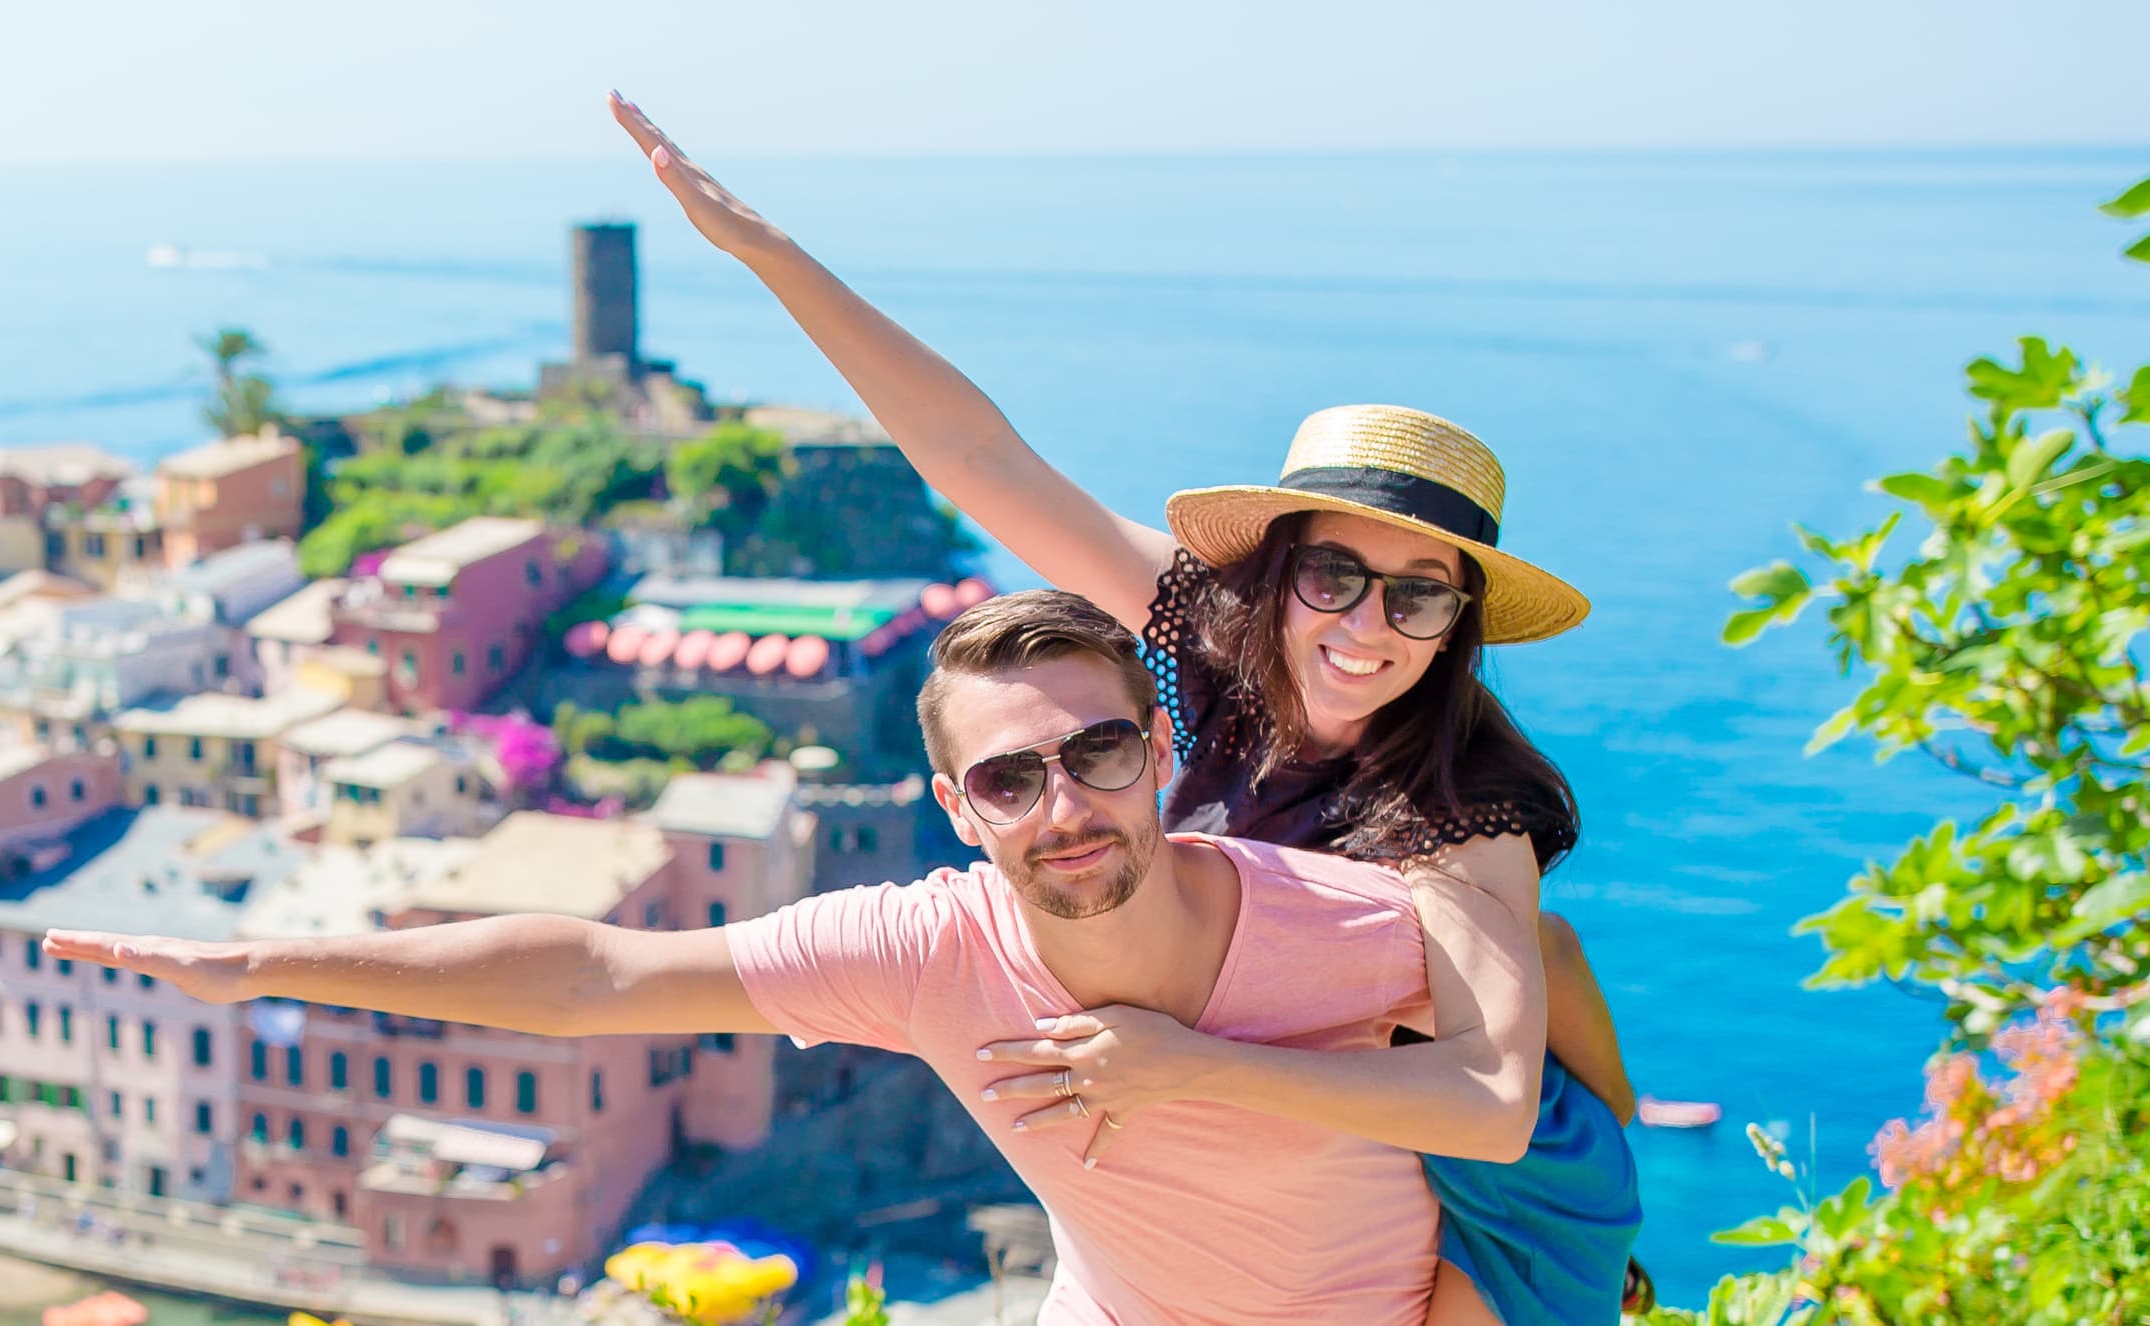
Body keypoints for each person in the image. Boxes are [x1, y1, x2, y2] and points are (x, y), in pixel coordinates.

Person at [601, 94, 1642, 1322]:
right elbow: (982, 458)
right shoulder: (1218, 643)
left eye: (1419, 599)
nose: (1365, 629)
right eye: (1334, 577)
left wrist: (1190, 1069)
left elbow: (1491, 1106)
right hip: (1306, 1134)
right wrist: (770, 253)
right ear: (1276, 572)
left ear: (1462, 621)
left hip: (1482, 1179)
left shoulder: (1466, 803)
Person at [57, 590, 1454, 1324]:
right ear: (959, 812)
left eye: (1098, 752)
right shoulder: (924, 947)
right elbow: (598, 974)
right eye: (1011, 777)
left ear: (1158, 757)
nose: (1067, 805)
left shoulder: (1358, 921)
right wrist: (264, 964)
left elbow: (1541, 1064)